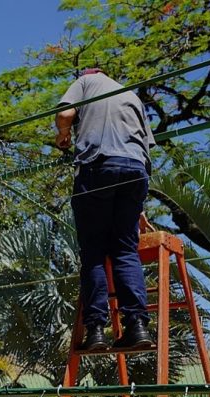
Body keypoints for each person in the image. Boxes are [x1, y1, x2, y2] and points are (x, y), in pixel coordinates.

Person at [55, 68, 156, 350]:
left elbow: (64, 115)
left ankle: (96, 331)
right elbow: (147, 150)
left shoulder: (85, 81)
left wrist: (63, 135)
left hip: (98, 167)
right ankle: (137, 327)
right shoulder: (132, 96)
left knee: (94, 253)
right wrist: (139, 207)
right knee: (125, 249)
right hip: (136, 172)